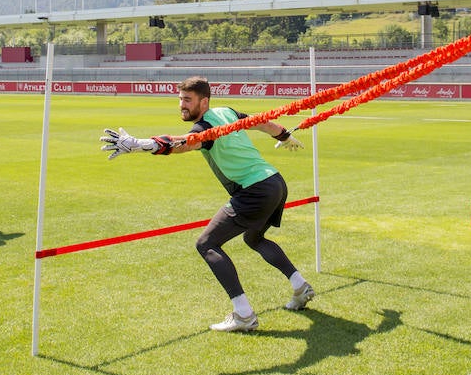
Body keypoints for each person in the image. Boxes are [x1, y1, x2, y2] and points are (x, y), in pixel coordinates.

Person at [100, 76, 314, 332]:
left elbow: (182, 145)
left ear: (204, 101)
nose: (182, 106)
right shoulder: (227, 112)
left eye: (187, 100)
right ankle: (300, 287)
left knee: (207, 244)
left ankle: (244, 315)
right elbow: (261, 123)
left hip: (254, 190)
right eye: (180, 100)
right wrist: (284, 135)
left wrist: (139, 145)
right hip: (274, 183)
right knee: (254, 239)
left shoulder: (204, 129)